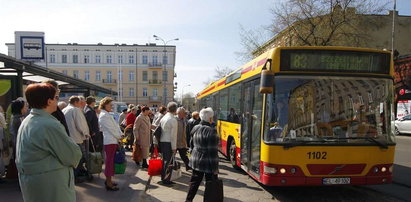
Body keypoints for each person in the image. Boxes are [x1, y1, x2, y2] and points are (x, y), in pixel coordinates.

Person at [15, 83, 82, 202]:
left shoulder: (28, 120)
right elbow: (73, 155)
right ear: (49, 101)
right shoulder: (49, 124)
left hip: (34, 182)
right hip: (51, 184)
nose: (58, 100)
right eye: (56, 97)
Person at [186, 107, 219, 202]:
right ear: (210, 119)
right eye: (212, 117)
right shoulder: (211, 131)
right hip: (207, 162)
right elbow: (213, 152)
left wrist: (191, 156)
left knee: (194, 183)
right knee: (210, 184)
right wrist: (215, 169)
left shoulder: (195, 128)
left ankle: (188, 200)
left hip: (196, 160)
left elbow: (191, 145)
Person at [63, 96, 90, 183]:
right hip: (76, 138)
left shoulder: (64, 110)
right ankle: (75, 176)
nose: (80, 104)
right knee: (79, 158)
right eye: (79, 103)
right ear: (75, 102)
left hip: (68, 138)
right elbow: (80, 124)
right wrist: (85, 133)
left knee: (72, 159)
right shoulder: (75, 110)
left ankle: (73, 176)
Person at [99, 97, 123, 191]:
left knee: (110, 162)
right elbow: (111, 129)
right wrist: (119, 137)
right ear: (105, 105)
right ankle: (108, 183)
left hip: (112, 140)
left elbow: (115, 126)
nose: (112, 107)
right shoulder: (104, 115)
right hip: (110, 141)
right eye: (110, 105)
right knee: (109, 162)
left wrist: (120, 135)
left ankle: (109, 180)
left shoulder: (106, 114)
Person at [159, 102, 178, 185]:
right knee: (169, 162)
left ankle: (163, 178)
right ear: (176, 110)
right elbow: (173, 136)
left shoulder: (164, 117)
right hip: (169, 142)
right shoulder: (173, 120)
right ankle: (166, 180)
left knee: (164, 161)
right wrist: (174, 147)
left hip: (162, 141)